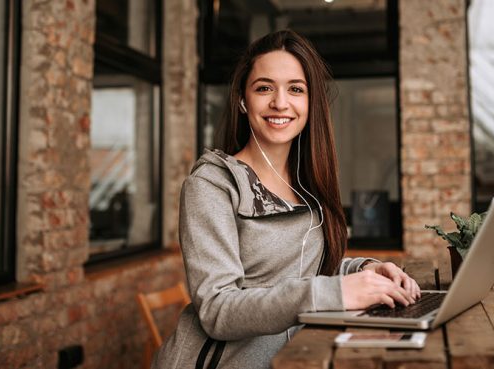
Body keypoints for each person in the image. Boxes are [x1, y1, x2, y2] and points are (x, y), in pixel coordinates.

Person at [152, 30, 420, 369]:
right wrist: (336, 294)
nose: (280, 102)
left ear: (310, 103)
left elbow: (297, 269)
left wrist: (363, 270)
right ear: (242, 100)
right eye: (264, 88)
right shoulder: (212, 184)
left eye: (296, 89)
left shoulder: (306, 183)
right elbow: (217, 310)